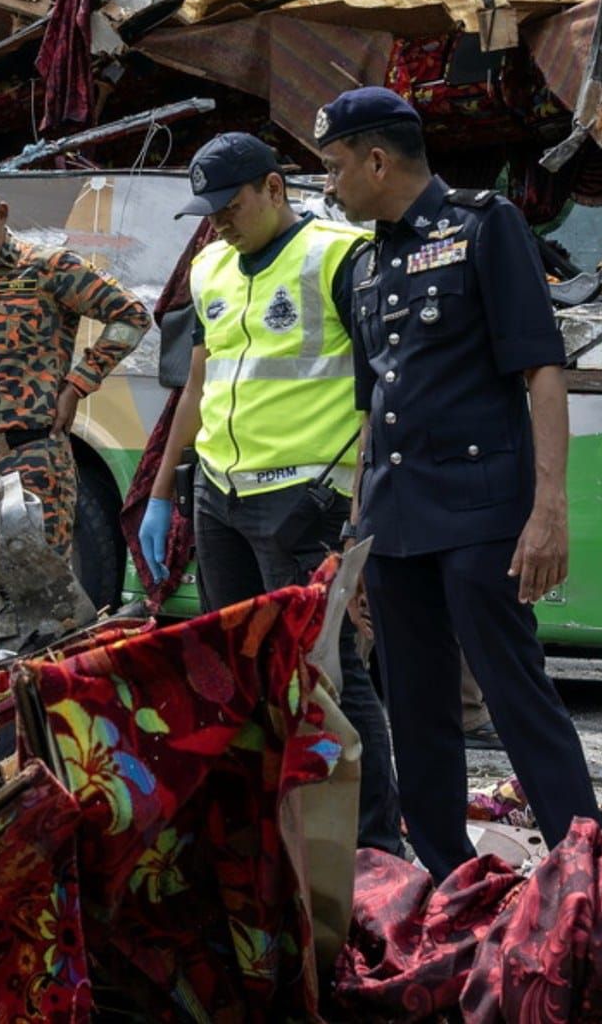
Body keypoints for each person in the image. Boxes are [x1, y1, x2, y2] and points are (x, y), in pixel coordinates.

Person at [315, 86, 601, 876]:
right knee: (416, 707)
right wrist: (356, 541)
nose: (330, 185)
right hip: (398, 521)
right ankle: (443, 870)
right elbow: (374, 410)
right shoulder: (366, 264)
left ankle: (588, 866)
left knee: (515, 695)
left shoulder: (486, 226)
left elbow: (541, 371)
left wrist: (550, 510)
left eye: (336, 167)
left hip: (481, 513)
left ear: (377, 159)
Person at [143, 132, 404, 853]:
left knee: (328, 677)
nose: (218, 221)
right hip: (219, 496)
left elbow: (384, 389)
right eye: (208, 211)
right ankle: (265, 831)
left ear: (274, 188)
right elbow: (197, 385)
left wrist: (358, 513)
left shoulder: (337, 256)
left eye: (229, 206)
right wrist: (163, 493)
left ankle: (377, 845)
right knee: (237, 672)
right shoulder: (209, 268)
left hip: (303, 500)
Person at [0, 170, 151, 558]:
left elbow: (131, 316)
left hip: (30, 461)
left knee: (38, 592)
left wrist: (78, 384)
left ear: (2, 213)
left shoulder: (50, 268)